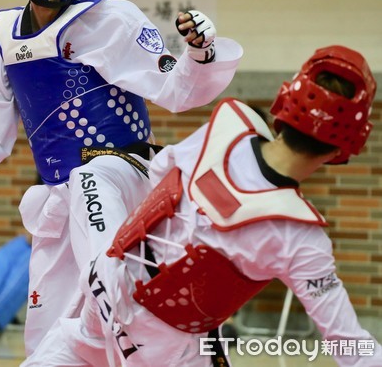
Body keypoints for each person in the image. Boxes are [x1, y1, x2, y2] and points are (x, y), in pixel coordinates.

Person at [0, 0, 243, 359]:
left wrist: (200, 53)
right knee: (49, 333)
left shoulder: (111, 19)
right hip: (63, 195)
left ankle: (164, 343)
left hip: (122, 175)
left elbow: (176, 88)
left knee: (112, 280)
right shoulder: (3, 39)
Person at [32, 45, 382, 366]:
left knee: (94, 176)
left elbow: (159, 169)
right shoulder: (302, 237)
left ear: (286, 100)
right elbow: (348, 344)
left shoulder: (230, 125)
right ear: (345, 146)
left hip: (104, 286)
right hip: (162, 345)